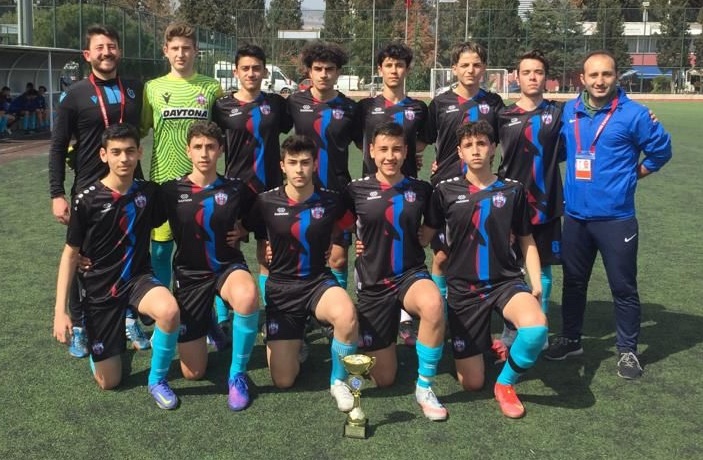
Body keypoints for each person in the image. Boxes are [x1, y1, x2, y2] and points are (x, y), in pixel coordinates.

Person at [544, 50, 672, 380]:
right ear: (582, 79)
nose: (600, 81)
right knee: (573, 283)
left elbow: (661, 151)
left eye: (607, 74)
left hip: (616, 219)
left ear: (616, 77)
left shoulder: (635, 115)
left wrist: (634, 175)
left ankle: (627, 350)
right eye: (594, 75)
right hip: (576, 217)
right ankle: (571, 339)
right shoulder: (569, 111)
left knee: (623, 287)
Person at [423, 121, 547, 419]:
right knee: (472, 383)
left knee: (536, 328)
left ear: (493, 148)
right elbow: (425, 236)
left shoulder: (513, 190)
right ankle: (476, 342)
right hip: (464, 290)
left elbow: (527, 239)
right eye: (468, 145)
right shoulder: (444, 191)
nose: (475, 150)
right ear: (459, 152)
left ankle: (505, 383)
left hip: (505, 282)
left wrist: (536, 281)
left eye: (481, 143)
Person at [52, 123, 181, 410]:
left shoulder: (149, 193)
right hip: (100, 290)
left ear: (139, 153)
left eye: (130, 151)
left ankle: (157, 380)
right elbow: (70, 255)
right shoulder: (87, 200)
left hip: (137, 280)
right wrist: (60, 312)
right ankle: (101, 343)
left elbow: (187, 203)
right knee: (109, 382)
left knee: (169, 310)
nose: (124, 159)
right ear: (103, 155)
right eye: (116, 152)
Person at [49, 24, 148, 358]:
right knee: (83, 258)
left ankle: (129, 317)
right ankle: (80, 325)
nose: (107, 52)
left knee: (132, 250)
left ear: (119, 51)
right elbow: (58, 145)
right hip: (90, 187)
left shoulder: (135, 88)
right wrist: (56, 193)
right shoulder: (75, 94)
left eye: (112, 46)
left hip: (130, 185)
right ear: (87, 54)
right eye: (100, 47)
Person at [243, 135, 359, 412]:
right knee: (284, 380)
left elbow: (352, 224)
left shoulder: (331, 200)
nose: (299, 169)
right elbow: (248, 228)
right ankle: (295, 341)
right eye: (293, 163)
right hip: (281, 289)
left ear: (315, 165)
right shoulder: (265, 201)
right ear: (282, 166)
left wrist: (340, 239)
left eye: (305, 162)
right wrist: (264, 245)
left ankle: (338, 381)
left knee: (347, 315)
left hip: (317, 282)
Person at [344, 122, 447, 421]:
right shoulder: (355, 190)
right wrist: (358, 238)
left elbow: (430, 228)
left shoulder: (421, 190)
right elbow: (339, 224)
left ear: (406, 152)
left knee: (433, 304)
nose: (390, 156)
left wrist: (423, 238)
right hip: (373, 283)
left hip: (409, 274)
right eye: (384, 149)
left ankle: (424, 386)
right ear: (371, 152)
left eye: (397, 149)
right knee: (384, 378)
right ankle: (365, 333)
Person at [161, 121, 260, 411]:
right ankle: (207, 322)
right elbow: (139, 220)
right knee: (193, 373)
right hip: (189, 276)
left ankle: (237, 375)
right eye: (198, 147)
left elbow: (262, 213)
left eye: (210, 147)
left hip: (226, 268)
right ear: (188, 151)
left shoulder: (236, 188)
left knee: (247, 296)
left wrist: (245, 229)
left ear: (221, 150)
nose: (204, 153)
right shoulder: (170, 190)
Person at [424, 41, 505, 320]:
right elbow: (422, 143)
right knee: (442, 256)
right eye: (465, 65)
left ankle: (479, 308)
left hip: (483, 189)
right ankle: (441, 314)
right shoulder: (440, 103)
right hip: (446, 190)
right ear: (454, 69)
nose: (471, 70)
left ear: (484, 68)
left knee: (481, 252)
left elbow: (504, 142)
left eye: (476, 65)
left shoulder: (494, 103)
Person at [355, 42, 428, 346]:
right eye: (388, 65)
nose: (394, 70)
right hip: (372, 192)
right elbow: (361, 143)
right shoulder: (365, 108)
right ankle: (367, 308)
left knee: (405, 248)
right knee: (368, 250)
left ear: (407, 69)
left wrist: (412, 158)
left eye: (399, 65)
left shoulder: (419, 108)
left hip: (407, 191)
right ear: (380, 69)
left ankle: (405, 318)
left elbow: (422, 143)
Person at [141, 21, 223, 294]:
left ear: (196, 51)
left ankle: (213, 311)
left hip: (202, 184)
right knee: (161, 252)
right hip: (164, 183)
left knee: (204, 251)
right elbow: (138, 130)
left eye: (186, 48)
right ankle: (163, 307)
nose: (180, 54)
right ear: (165, 50)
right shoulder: (152, 88)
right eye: (175, 48)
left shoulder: (211, 87)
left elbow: (222, 132)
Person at [212, 44, 293, 319]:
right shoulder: (222, 106)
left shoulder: (277, 104)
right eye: (245, 68)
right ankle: (223, 315)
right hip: (234, 191)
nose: (251, 73)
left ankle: (270, 312)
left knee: (267, 254)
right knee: (229, 248)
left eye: (256, 68)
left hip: (269, 191)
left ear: (265, 71)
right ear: (236, 72)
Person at [496, 50, 564, 349]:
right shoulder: (502, 116)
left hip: (547, 203)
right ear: (516, 77)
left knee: (543, 268)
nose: (533, 77)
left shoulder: (560, 112)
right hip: (510, 204)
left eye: (538, 72)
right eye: (526, 72)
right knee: (509, 267)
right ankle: (511, 328)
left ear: (546, 77)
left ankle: (541, 326)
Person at [287, 41, 359, 290]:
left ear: (338, 72)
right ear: (309, 71)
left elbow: (367, 146)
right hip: (301, 191)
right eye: (318, 69)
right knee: (301, 252)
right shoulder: (294, 103)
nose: (324, 74)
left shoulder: (350, 108)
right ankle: (301, 304)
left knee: (338, 258)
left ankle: (335, 307)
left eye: (329, 69)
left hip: (338, 190)